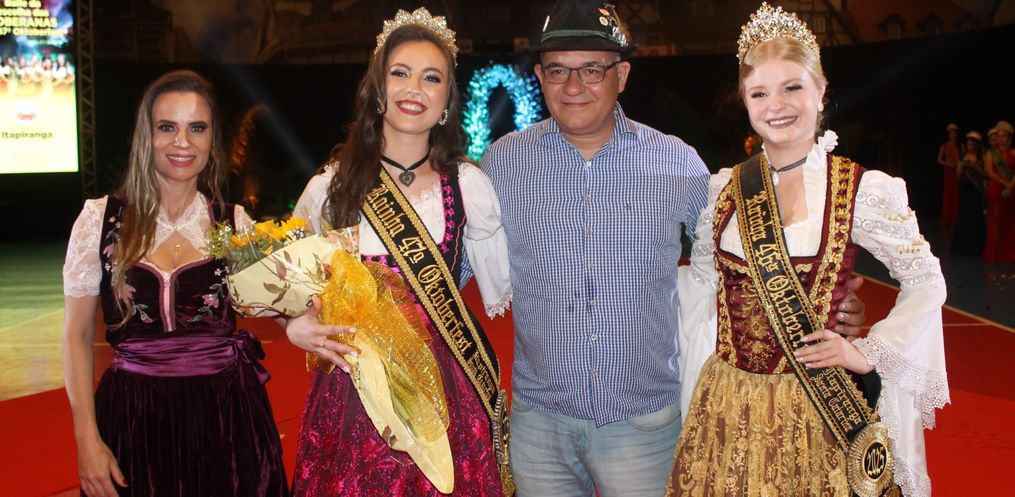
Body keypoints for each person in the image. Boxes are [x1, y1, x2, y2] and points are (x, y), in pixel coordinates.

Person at [481, 2, 866, 496]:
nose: (574, 86)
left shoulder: (676, 163)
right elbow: (458, 262)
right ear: (539, 77)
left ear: (622, 75)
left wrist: (827, 301)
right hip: (539, 424)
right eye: (558, 70)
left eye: (592, 69)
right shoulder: (502, 163)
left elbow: (740, 255)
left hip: (644, 424)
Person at [666, 4, 949, 497]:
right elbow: (704, 286)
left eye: (792, 87)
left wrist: (866, 352)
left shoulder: (860, 190)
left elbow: (926, 281)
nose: (776, 105)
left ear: (820, 91)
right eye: (760, 93)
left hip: (818, 411)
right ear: (745, 101)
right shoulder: (724, 190)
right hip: (727, 405)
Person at [284, 8, 512, 496]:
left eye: (432, 78)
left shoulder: (469, 186)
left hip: (444, 391)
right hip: (353, 392)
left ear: (447, 101)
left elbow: (490, 287)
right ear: (378, 90)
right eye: (400, 73)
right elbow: (289, 285)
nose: (414, 89)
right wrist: (294, 325)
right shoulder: (330, 188)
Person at [61, 70, 289, 497]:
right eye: (167, 127)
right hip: (131, 420)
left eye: (196, 128)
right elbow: (75, 336)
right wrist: (86, 437)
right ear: (145, 137)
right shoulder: (99, 220)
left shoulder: (235, 224)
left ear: (212, 141)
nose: (182, 142)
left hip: (225, 422)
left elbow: (283, 310)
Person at [982, 120, 1015, 262]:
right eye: (999, 136)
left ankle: (1009, 253)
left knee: (1009, 221)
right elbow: (989, 172)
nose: (1001, 139)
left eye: (1004, 136)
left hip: (1011, 190)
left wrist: (1011, 186)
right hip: (996, 189)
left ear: (1009, 137)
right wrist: (1006, 184)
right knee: (996, 221)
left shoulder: (1013, 152)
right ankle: (995, 254)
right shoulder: (992, 153)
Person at [951, 131, 987, 256]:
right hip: (965, 191)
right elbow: (958, 175)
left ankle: (975, 247)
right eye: (968, 144)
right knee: (964, 217)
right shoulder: (962, 156)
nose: (970, 146)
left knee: (976, 218)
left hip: (976, 191)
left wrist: (974, 165)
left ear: (977, 145)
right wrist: (961, 165)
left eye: (972, 144)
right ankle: (963, 247)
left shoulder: (982, 157)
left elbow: (985, 174)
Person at [937, 123, 961, 226]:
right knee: (948, 194)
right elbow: (939, 159)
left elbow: (962, 158)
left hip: (957, 171)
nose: (952, 135)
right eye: (951, 133)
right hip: (948, 171)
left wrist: (958, 163)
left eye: (954, 133)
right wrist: (948, 164)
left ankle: (955, 219)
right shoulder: (944, 145)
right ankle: (947, 219)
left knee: (956, 194)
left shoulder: (960, 146)